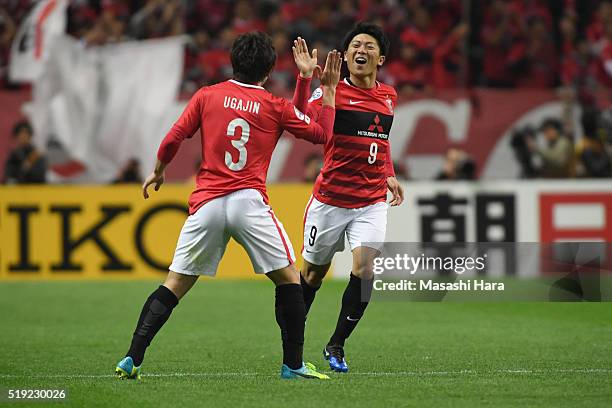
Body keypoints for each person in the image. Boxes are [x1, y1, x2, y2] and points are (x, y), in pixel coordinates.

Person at [114, 31, 342, 381]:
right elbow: (319, 133)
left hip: (206, 203)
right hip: (248, 201)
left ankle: (132, 358)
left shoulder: (208, 95)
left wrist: (159, 171)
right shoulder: (274, 105)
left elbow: (173, 139)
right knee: (290, 280)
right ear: (268, 71)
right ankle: (293, 365)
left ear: (232, 62)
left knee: (173, 284)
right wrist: (323, 90)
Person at [290, 22, 404, 373]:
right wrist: (307, 80)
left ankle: (336, 345)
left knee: (365, 268)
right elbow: (301, 121)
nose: (361, 50)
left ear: (379, 58)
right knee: (311, 275)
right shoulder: (331, 90)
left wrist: (389, 173)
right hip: (329, 201)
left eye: (369, 46)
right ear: (346, 55)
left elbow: (380, 140)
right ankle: (292, 343)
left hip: (369, 202)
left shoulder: (389, 96)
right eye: (355, 44)